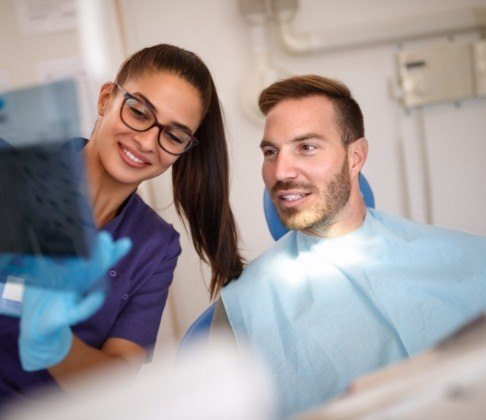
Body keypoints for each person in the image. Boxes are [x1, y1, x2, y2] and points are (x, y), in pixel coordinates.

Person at [217, 74, 486, 418]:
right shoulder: (243, 307)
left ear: (356, 156)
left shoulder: (467, 259)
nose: (280, 171)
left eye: (306, 147)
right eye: (271, 152)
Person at [0, 44, 244, 405]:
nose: (147, 141)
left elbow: (116, 379)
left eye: (174, 136)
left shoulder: (156, 246)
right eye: (138, 111)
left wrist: (55, 342)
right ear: (105, 99)